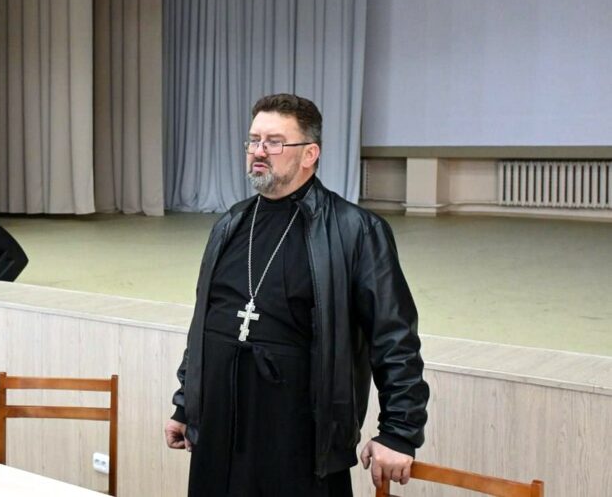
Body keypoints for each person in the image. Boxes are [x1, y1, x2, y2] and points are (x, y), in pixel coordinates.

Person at [164, 94, 429, 496]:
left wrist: (399, 431)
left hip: (300, 440)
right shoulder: (230, 224)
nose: (259, 151)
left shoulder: (355, 230)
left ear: (310, 154)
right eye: (254, 140)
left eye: (274, 142)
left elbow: (394, 337)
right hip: (218, 432)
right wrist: (186, 404)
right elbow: (205, 323)